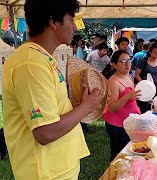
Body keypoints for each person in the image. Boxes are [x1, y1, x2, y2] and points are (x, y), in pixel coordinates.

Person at [2, 0, 105, 179]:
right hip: (46, 172)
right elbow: (44, 132)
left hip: (58, 167)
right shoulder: (30, 63)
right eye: (71, 20)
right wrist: (86, 107)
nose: (74, 27)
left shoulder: (43, 57)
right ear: (53, 22)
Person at [103, 50, 141, 162]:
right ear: (114, 65)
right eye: (123, 61)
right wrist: (127, 97)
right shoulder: (113, 81)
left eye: (128, 60)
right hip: (118, 125)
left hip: (130, 122)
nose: (127, 63)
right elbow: (112, 108)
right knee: (118, 154)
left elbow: (131, 98)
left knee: (129, 152)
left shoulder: (128, 76)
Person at [135, 43, 157, 113]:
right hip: (145, 87)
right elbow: (137, 74)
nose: (156, 55)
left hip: (155, 86)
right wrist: (144, 84)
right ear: (150, 52)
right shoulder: (144, 61)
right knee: (144, 107)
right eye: (155, 53)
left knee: (154, 107)